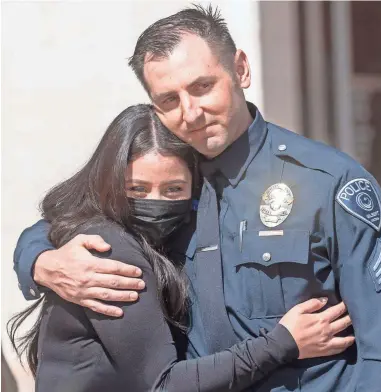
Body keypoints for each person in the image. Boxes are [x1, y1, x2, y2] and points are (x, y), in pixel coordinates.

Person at [13, 4, 381, 392]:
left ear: (240, 70)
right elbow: (69, 220)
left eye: (203, 86)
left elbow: (378, 349)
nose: (190, 113)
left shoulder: (327, 182)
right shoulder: (165, 182)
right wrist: (40, 260)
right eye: (169, 100)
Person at [8, 104, 353, 392]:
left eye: (173, 189)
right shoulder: (107, 251)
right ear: (109, 181)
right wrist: (282, 343)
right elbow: (164, 383)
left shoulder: (180, 227)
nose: (155, 203)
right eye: (137, 189)